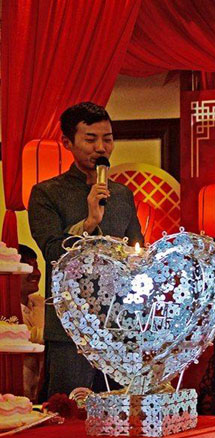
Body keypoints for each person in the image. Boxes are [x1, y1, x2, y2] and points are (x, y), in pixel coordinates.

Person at [28, 102, 143, 396]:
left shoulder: (122, 194)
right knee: (68, 412)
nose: (101, 148)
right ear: (68, 142)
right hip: (70, 328)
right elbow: (53, 253)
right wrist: (90, 222)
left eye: (107, 138)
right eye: (90, 139)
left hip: (119, 326)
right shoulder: (47, 193)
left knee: (124, 411)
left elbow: (136, 252)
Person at [18, 245, 45, 401]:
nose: (35, 273)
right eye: (27, 267)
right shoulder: (5, 309)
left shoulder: (41, 303)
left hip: (39, 397)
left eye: (36, 267)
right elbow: (26, 336)